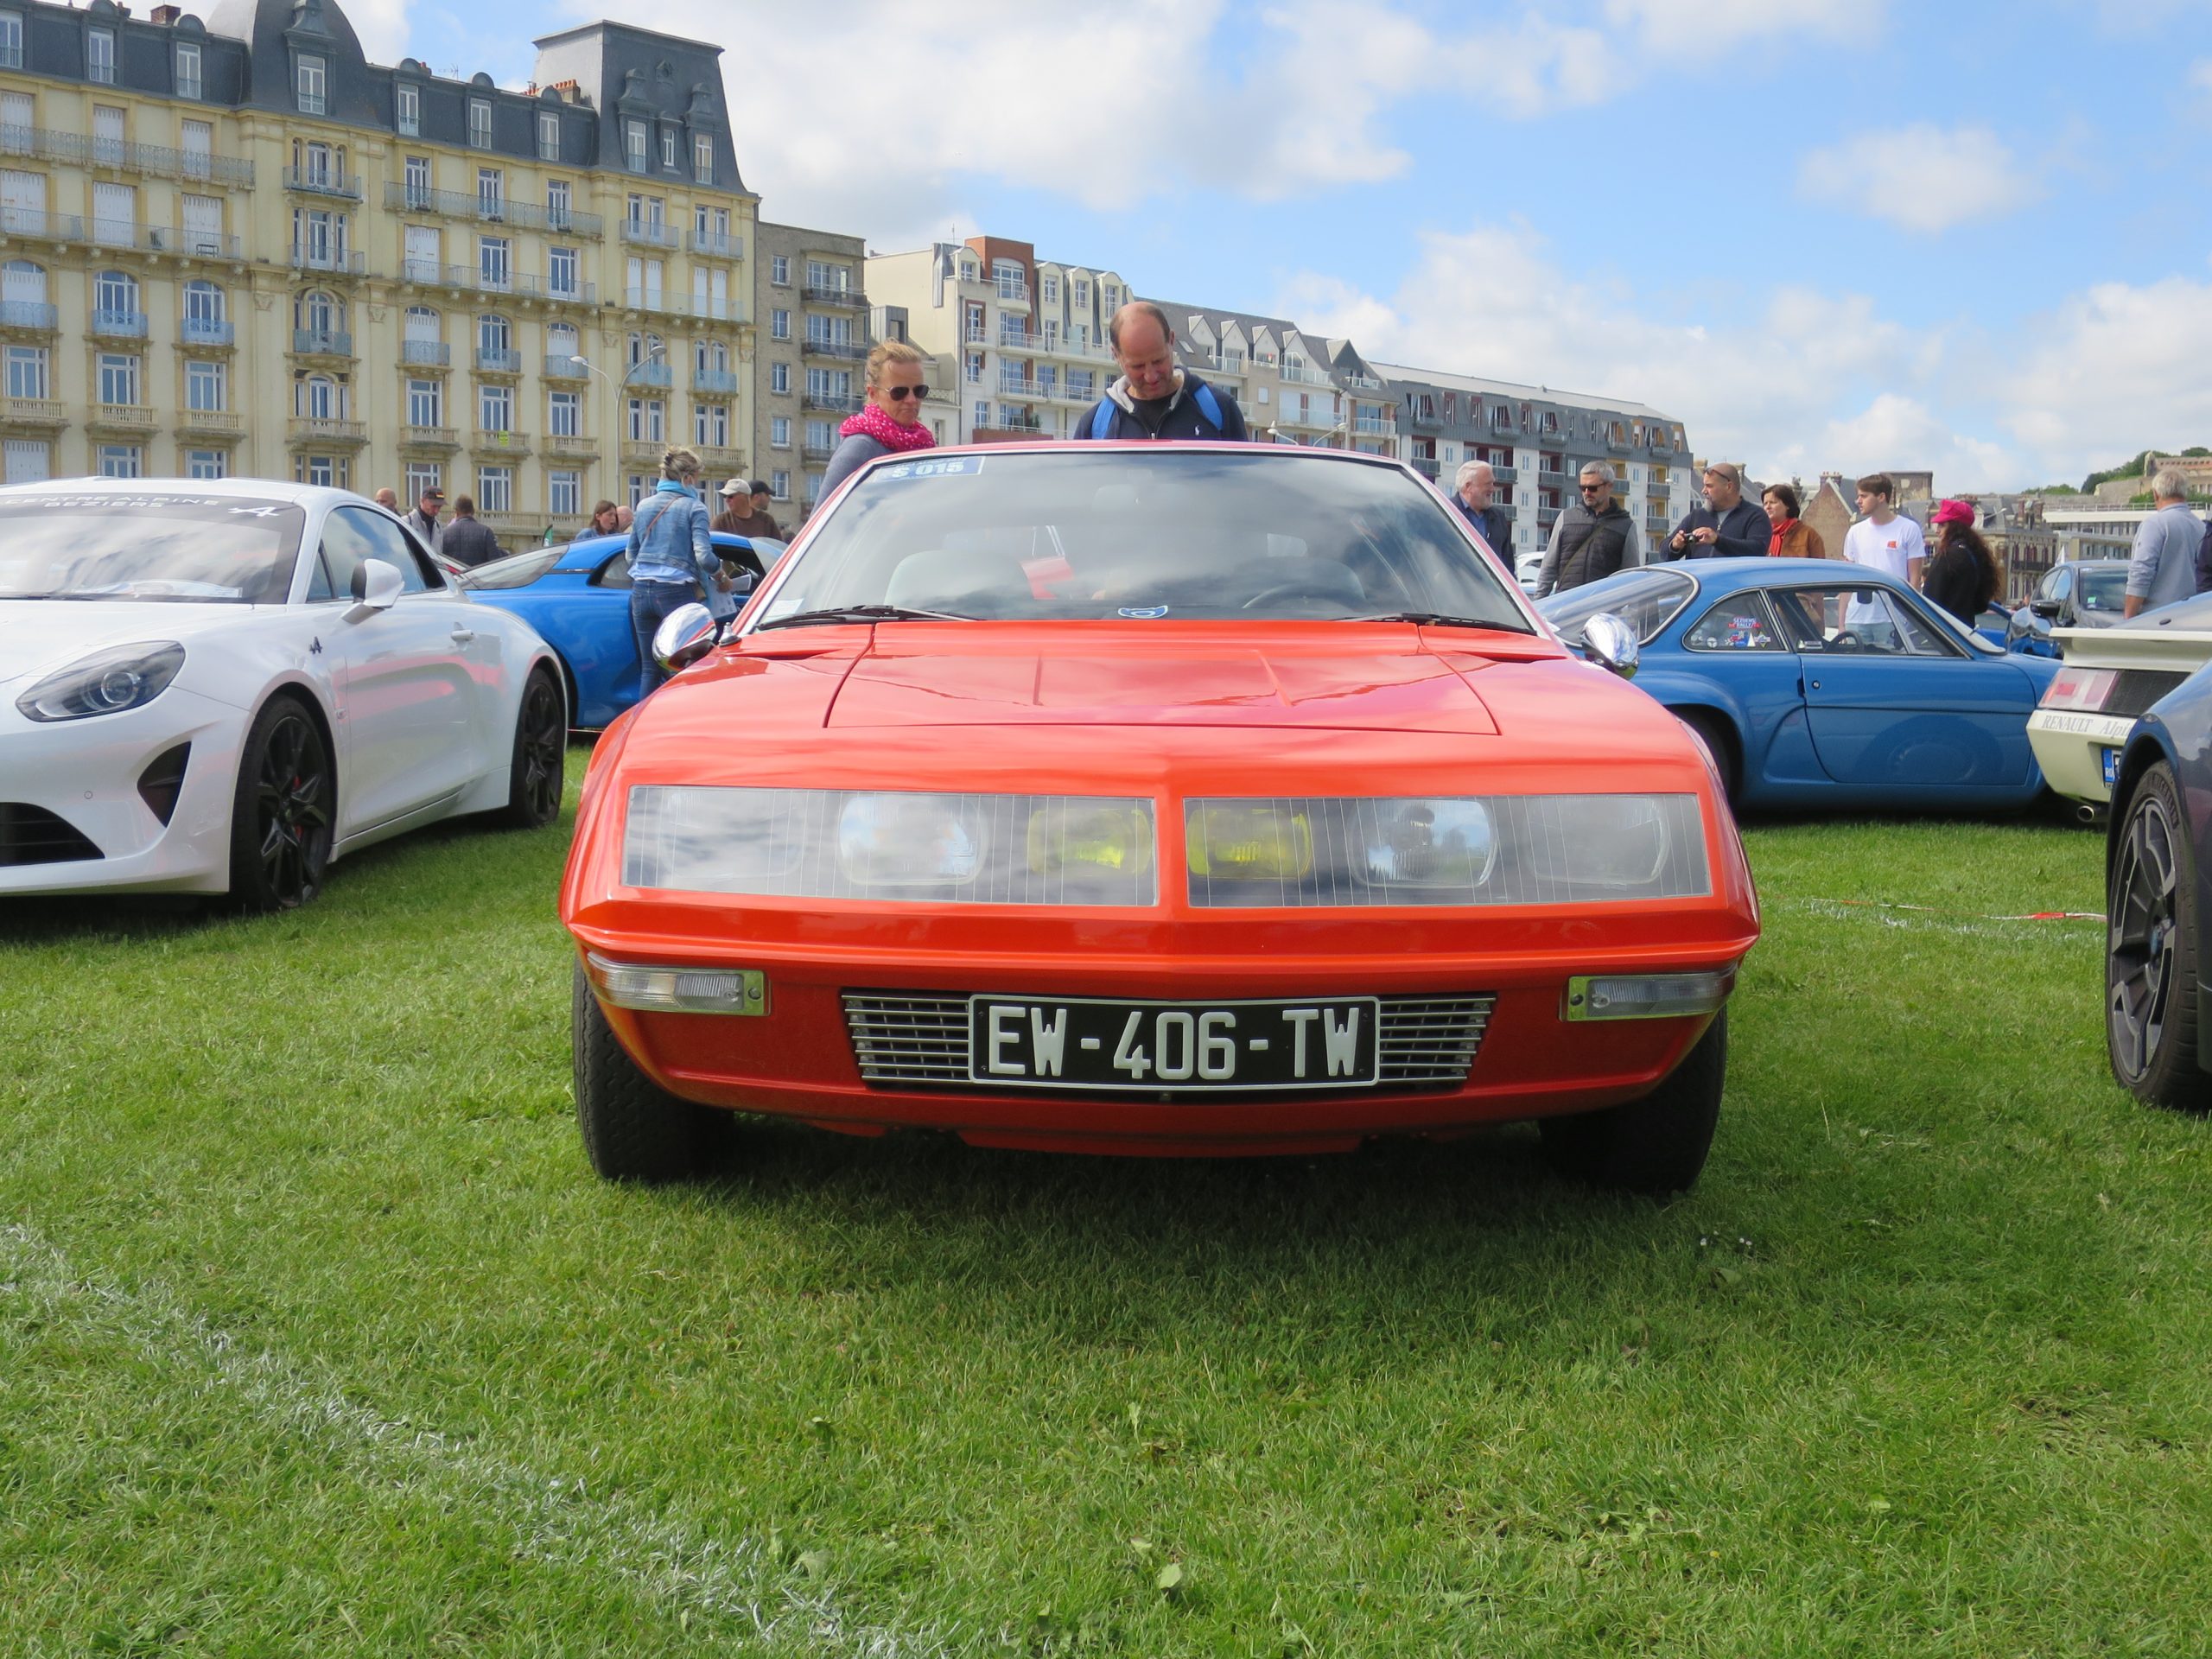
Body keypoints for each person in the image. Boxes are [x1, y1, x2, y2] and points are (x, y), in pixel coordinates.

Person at [626, 446, 732, 699]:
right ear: (687, 478)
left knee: (649, 670)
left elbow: (631, 555)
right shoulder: (694, 508)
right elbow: (704, 557)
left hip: (640, 592)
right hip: (675, 592)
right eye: (696, 477)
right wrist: (722, 577)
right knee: (685, 667)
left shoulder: (643, 506)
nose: (697, 482)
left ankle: (644, 729)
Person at [1072, 301, 1249, 442]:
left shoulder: (1220, 410)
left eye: (1158, 361)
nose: (1151, 376)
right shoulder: (1095, 426)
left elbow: (1245, 484)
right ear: (1116, 355)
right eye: (1137, 366)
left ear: (1171, 341)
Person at [819, 340, 936, 499]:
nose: (911, 400)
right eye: (899, 392)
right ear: (873, 393)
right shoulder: (861, 447)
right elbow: (824, 517)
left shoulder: (923, 444)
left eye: (919, 391)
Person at [1535, 461, 1642, 596]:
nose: (1586, 493)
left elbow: (1631, 577)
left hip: (1602, 609)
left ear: (1609, 486)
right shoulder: (1566, 518)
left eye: (1592, 488)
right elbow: (1548, 568)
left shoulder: (1625, 526)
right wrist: (1537, 604)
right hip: (1566, 606)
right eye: (1582, 487)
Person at [2125, 467, 2205, 619]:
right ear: (2184, 493)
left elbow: (2141, 572)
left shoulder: (2155, 524)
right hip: (2194, 616)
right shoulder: (2202, 528)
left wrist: (2128, 618)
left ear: (2156, 494)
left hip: (2158, 618)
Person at [1666, 461, 1771, 559]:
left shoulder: (1755, 516)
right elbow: (1664, 551)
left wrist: (1717, 540)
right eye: (1704, 486)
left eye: (1709, 486)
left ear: (1728, 487)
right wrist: (1675, 545)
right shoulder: (1697, 516)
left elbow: (1757, 550)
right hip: (1699, 579)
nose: (1703, 491)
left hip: (1733, 578)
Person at [1923, 499, 1999, 626]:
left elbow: (1929, 601)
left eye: (1942, 525)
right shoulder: (1976, 555)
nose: (1937, 530)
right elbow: (1981, 605)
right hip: (1965, 632)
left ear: (1954, 527)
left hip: (1942, 631)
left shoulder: (1946, 557)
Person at [1840, 473, 1925, 587]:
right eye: (1858, 496)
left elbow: (1915, 580)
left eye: (1864, 496)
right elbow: (1848, 579)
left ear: (1881, 497)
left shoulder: (1909, 529)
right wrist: (1843, 605)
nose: (1858, 501)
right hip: (1859, 604)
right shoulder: (1855, 532)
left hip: (1893, 604)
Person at [1451, 459, 1511, 553]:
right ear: (1468, 487)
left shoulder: (1499, 518)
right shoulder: (1446, 512)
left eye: (1493, 483)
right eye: (1488, 484)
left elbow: (1507, 564)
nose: (1492, 489)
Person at [436, 494, 502, 568]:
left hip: (453, 577)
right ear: (473, 511)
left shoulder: (445, 533)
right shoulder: (486, 532)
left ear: (456, 513)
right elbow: (495, 561)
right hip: (477, 576)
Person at [1764, 482, 1827, 558]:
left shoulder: (1809, 535)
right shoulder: (1762, 535)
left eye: (1773, 502)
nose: (1768, 507)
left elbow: (1818, 567)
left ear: (1787, 505)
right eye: (1765, 504)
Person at [403, 485, 445, 550]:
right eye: (433, 506)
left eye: (439, 507)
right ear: (422, 501)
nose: (436, 511)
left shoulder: (438, 527)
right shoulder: (407, 522)